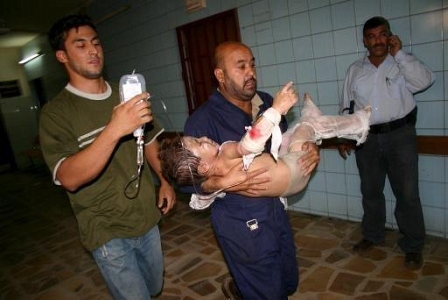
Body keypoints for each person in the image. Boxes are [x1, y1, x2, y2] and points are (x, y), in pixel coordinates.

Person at [39, 14, 176, 299]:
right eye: (81, 45)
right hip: (105, 229)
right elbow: (69, 178)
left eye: (96, 42)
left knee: (155, 287)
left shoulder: (125, 93)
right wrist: (114, 129)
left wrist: (164, 180)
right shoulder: (56, 113)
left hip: (145, 216)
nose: (93, 50)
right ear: (62, 55)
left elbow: (149, 139)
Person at [182, 41, 320, 299]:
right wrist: (221, 183)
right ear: (220, 75)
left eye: (253, 64)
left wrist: (310, 148)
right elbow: (185, 179)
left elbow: (284, 141)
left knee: (287, 281)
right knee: (268, 292)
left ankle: (241, 289)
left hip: (276, 209)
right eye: (241, 66)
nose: (251, 72)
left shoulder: (266, 102)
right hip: (241, 222)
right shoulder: (203, 120)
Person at [160, 84, 371, 207]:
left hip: (285, 173)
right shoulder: (224, 153)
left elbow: (199, 201)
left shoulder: (214, 180)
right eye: (199, 143)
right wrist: (275, 110)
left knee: (290, 134)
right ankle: (358, 123)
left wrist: (221, 184)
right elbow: (249, 144)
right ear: (203, 167)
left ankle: (311, 122)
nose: (204, 137)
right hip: (295, 169)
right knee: (309, 125)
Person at [339, 16, 435, 270]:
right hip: (367, 139)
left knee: (407, 193)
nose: (377, 41)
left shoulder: (401, 64)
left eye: (383, 35)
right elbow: (347, 106)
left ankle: (413, 244)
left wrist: (400, 54)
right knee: (370, 191)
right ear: (364, 41)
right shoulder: (354, 70)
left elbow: (426, 81)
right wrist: (345, 137)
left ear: (391, 36)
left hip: (400, 136)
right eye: (372, 36)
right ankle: (372, 235)